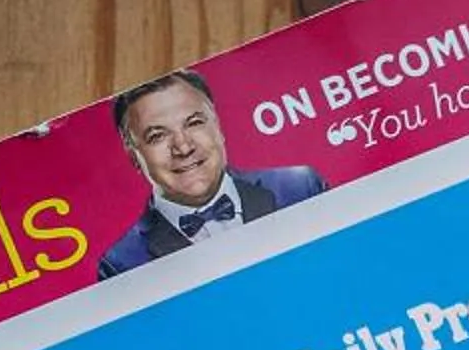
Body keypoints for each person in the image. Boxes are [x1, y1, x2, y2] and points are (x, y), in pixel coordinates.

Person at [95, 69, 320, 278]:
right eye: (157, 136)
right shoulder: (122, 263)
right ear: (133, 156)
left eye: (194, 123)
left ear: (217, 126)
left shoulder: (300, 187)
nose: (183, 148)